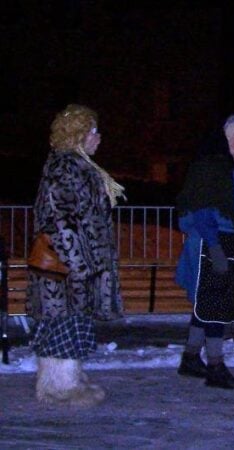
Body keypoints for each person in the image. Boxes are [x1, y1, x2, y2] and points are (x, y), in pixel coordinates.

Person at [27, 104, 124, 406]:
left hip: (72, 268)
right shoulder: (66, 167)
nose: (99, 137)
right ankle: (60, 386)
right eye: (93, 131)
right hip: (65, 270)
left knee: (71, 323)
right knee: (63, 323)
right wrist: (80, 267)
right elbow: (62, 221)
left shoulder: (78, 166)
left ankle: (66, 379)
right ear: (78, 135)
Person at [175, 113, 234, 389]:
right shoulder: (209, 168)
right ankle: (215, 367)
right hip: (211, 242)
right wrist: (215, 246)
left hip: (227, 241)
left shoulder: (231, 170)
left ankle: (191, 358)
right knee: (214, 306)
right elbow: (202, 211)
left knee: (208, 304)